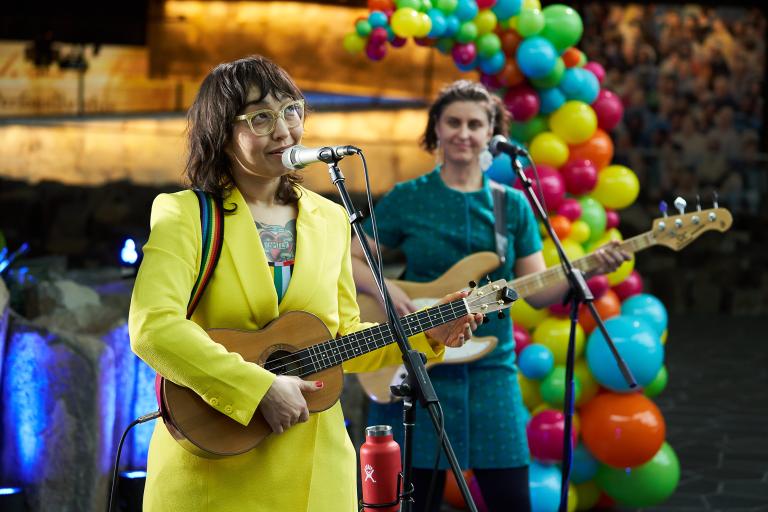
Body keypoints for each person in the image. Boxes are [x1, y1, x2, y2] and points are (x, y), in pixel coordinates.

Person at [128, 55, 482, 512]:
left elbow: (343, 341)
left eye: (291, 110)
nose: (283, 130)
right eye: (260, 117)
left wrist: (426, 335)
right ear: (221, 131)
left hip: (317, 474)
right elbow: (152, 327)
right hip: (214, 470)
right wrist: (257, 387)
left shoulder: (331, 219)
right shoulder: (185, 215)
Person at [351, 80, 631, 511]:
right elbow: (352, 258)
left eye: (475, 124)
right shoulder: (408, 198)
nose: (464, 132)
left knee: (511, 500)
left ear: (492, 134)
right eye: (454, 122)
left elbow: (537, 290)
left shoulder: (513, 205)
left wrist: (590, 267)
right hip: (419, 366)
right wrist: (385, 289)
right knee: (412, 501)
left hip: (491, 370)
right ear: (436, 131)